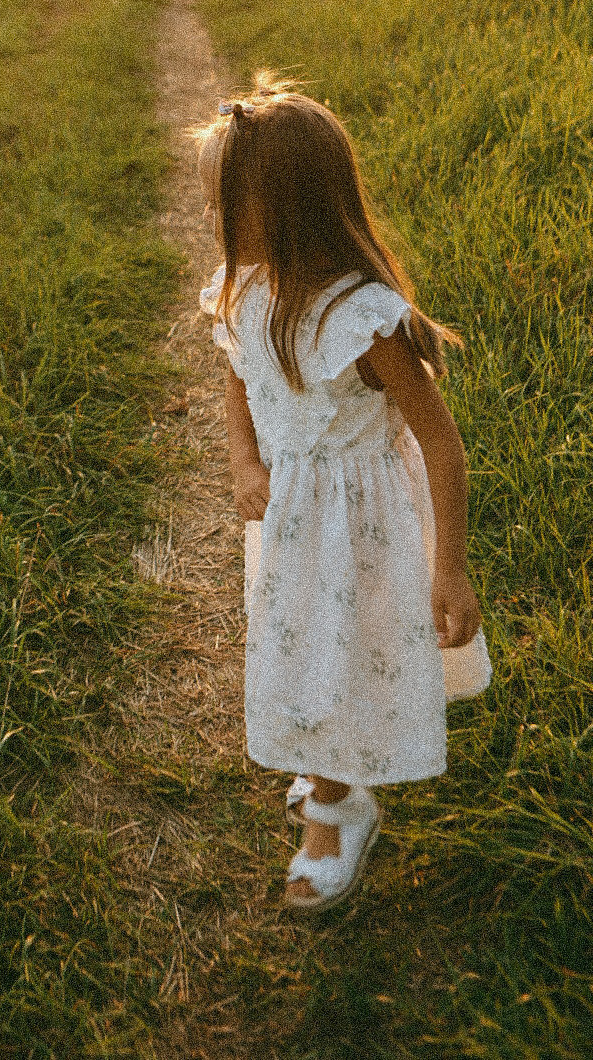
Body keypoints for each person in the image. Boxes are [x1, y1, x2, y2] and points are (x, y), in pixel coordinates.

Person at [196, 77, 491, 912]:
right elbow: (237, 379)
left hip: (360, 528)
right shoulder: (244, 288)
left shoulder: (360, 319)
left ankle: (335, 806)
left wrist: (451, 569)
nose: (214, 221)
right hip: (291, 516)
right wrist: (244, 462)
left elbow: (438, 438)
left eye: (226, 204)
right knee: (303, 647)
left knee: (337, 652)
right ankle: (332, 770)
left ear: (287, 209)